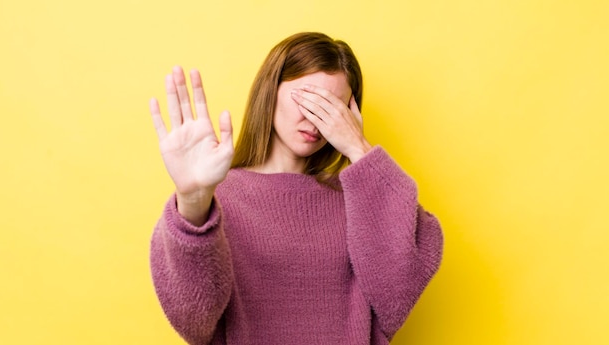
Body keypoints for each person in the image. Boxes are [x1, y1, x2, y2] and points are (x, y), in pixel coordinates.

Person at [148, 32, 443, 345]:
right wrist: (193, 201)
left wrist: (359, 149)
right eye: (306, 98)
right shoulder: (212, 201)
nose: (314, 119)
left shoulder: (361, 199)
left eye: (332, 108)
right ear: (271, 90)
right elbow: (194, 321)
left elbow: (397, 297)